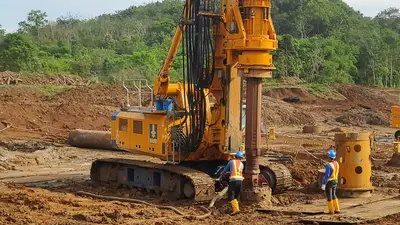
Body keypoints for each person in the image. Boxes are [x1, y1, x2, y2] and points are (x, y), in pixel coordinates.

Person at [221, 151, 244, 215]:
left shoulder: (231, 162)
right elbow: (237, 171)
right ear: (241, 158)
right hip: (240, 181)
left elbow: (225, 170)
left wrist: (222, 173)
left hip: (233, 180)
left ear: (235, 156)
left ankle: (236, 210)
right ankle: (234, 208)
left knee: (231, 195)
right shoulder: (242, 164)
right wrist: (229, 173)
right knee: (236, 196)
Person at [321, 149, 340, 214]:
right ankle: (337, 209)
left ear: (329, 157)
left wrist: (324, 184)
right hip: (335, 181)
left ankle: (331, 210)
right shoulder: (337, 163)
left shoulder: (329, 165)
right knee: (334, 194)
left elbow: (327, 176)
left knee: (329, 196)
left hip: (329, 182)